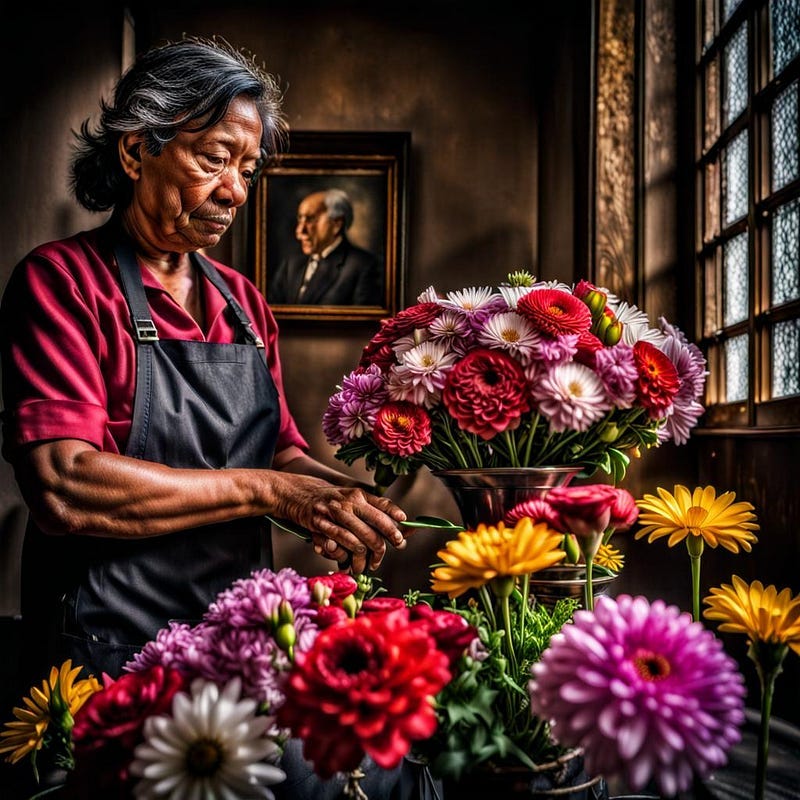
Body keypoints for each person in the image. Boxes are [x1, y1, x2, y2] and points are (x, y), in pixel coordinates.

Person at [0, 35, 409, 700]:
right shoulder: (63, 281)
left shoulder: (245, 303)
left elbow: (280, 456)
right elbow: (64, 484)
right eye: (216, 159)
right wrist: (272, 495)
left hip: (236, 645)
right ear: (136, 151)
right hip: (105, 656)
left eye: (247, 170)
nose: (236, 192)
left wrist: (343, 500)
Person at [269, 187, 384, 305]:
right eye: (300, 218)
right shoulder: (291, 265)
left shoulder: (364, 266)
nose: (300, 231)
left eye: (311, 219)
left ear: (336, 224)